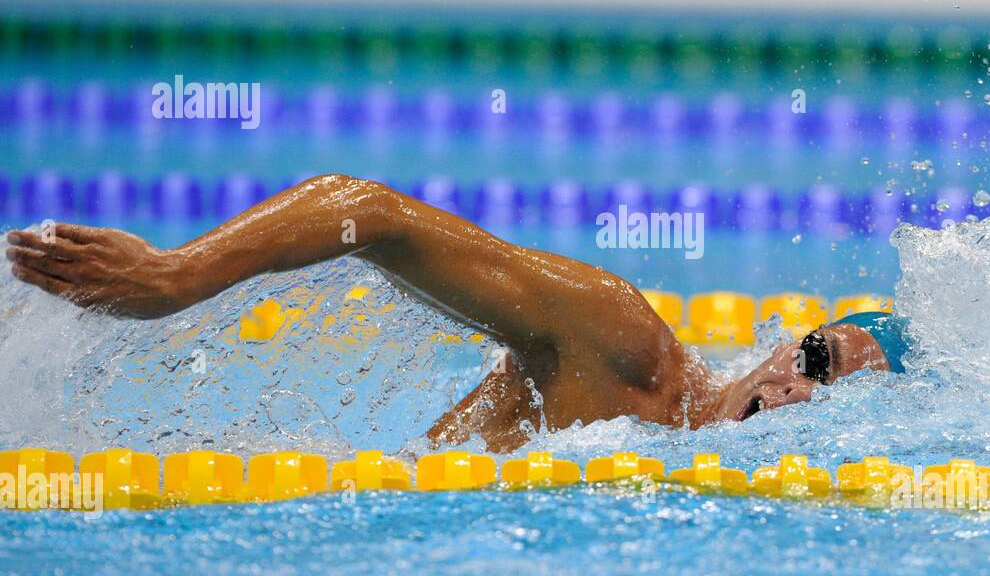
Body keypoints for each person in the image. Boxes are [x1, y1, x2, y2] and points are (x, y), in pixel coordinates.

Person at [6, 175, 907, 453]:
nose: (798, 393)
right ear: (790, 338)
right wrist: (180, 275)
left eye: (830, 397)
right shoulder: (622, 344)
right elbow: (376, 215)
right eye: (818, 359)